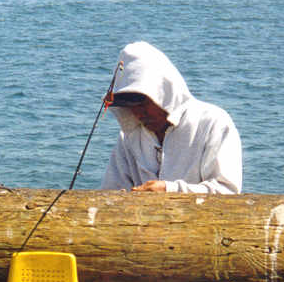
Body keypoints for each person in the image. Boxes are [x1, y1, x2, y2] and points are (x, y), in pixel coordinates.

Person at [101, 42, 242, 194]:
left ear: (163, 93)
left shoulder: (213, 123)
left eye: (143, 103)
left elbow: (228, 190)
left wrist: (169, 189)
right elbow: (111, 190)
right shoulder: (128, 137)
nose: (138, 113)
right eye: (130, 106)